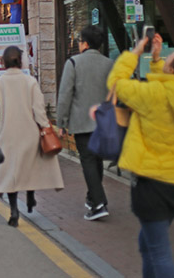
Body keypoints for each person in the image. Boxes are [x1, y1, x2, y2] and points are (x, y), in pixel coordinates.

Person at [107, 34, 174, 278]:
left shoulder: (153, 94)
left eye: (170, 56)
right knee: (148, 245)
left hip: (152, 183)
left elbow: (116, 83)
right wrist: (156, 60)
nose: (167, 57)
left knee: (158, 251)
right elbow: (169, 91)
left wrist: (134, 53)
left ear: (172, 68)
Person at [0, 46, 64, 227]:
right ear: (20, 61)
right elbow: (39, 109)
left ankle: (13, 210)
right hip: (29, 134)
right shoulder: (30, 82)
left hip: (6, 135)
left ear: (3, 63)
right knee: (29, 167)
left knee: (12, 174)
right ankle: (30, 197)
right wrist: (45, 127)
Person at [56, 25, 114, 220]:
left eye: (80, 41)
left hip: (82, 122)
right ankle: (92, 197)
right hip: (103, 122)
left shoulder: (73, 63)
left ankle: (98, 203)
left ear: (85, 44)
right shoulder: (109, 64)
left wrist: (61, 122)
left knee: (88, 161)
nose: (79, 44)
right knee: (96, 161)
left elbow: (65, 95)